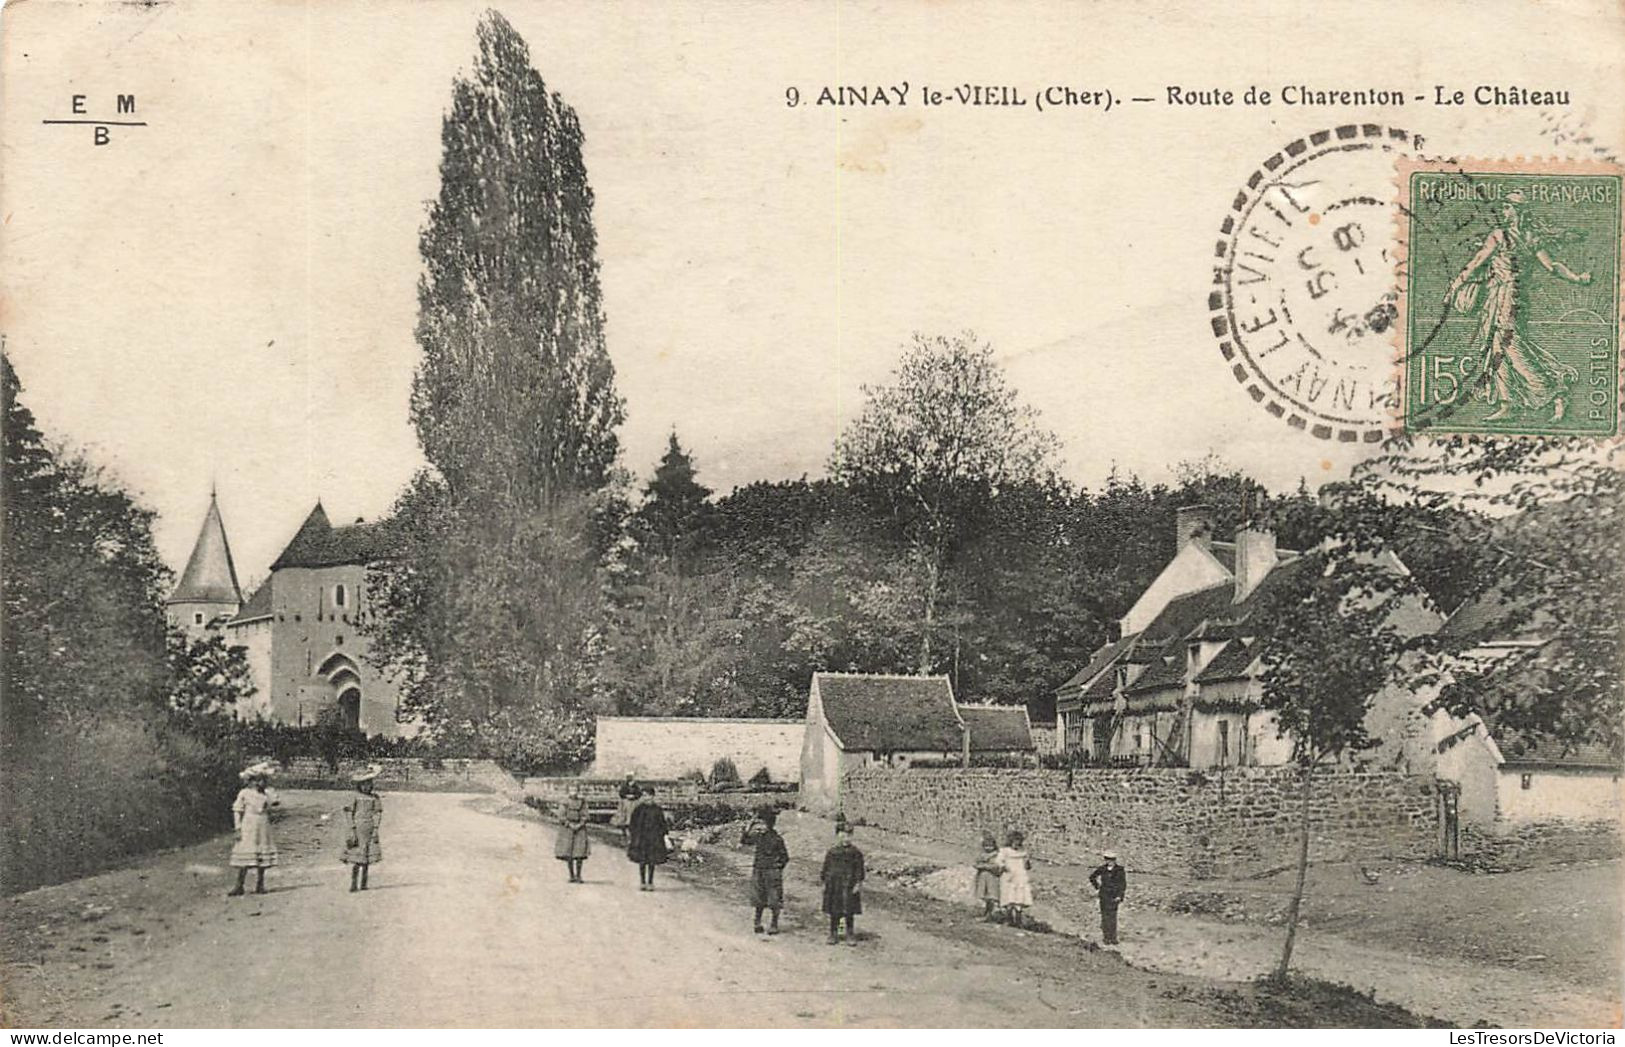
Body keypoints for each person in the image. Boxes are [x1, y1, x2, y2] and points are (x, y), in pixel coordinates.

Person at [1444, 191, 1589, 423]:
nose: (1503, 212)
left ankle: (1554, 390)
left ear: (1517, 210)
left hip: (1506, 296)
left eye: (1507, 207)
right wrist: (1576, 277)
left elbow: (1476, 263)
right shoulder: (1531, 237)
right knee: (1497, 347)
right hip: (1507, 296)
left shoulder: (1500, 236)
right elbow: (1553, 266)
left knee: (1510, 347)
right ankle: (1508, 403)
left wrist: (1455, 286)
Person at [228, 762, 279, 896]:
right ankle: (239, 885)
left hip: (262, 824)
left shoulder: (267, 794)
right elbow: (237, 810)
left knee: (261, 853)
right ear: (251, 781)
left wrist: (269, 796)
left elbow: (272, 806)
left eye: (263, 780)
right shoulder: (245, 793)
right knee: (246, 852)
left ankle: (260, 884)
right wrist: (238, 827)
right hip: (249, 825)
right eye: (258, 780)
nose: (261, 783)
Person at [741, 807, 790, 934]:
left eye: (762, 823)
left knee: (774, 900)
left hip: (771, 872)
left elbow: (785, 857)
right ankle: (757, 923)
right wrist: (749, 824)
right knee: (759, 898)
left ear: (768, 824)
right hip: (759, 870)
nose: (760, 826)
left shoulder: (777, 839)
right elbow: (745, 840)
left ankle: (774, 924)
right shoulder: (759, 836)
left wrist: (777, 868)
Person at [820, 818, 864, 946]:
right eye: (843, 835)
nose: (846, 838)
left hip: (849, 885)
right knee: (835, 910)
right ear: (837, 835)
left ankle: (849, 933)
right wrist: (825, 882)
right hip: (834, 885)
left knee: (848, 910)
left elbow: (859, 870)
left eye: (849, 835)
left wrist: (858, 883)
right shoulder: (832, 852)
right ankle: (834, 933)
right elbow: (826, 868)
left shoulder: (855, 853)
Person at [342, 764, 384, 893]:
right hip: (357, 828)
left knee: (366, 857)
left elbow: (377, 814)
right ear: (359, 785)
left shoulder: (375, 798)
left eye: (370, 783)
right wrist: (352, 828)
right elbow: (349, 813)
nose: (368, 786)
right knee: (356, 857)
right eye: (364, 784)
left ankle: (364, 883)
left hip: (369, 828)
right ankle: (353, 884)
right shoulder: (354, 797)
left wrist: (376, 829)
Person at [626, 786, 670, 891]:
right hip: (641, 838)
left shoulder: (657, 809)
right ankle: (642, 882)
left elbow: (662, 824)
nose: (646, 798)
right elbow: (633, 823)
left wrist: (664, 835)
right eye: (644, 796)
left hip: (653, 839)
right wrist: (633, 835)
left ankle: (650, 882)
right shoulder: (639, 809)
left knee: (652, 861)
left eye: (647, 795)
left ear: (652, 796)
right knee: (642, 861)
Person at [554, 782, 591, 883]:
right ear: (568, 791)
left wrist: (580, 824)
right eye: (571, 790)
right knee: (568, 852)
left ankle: (579, 875)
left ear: (578, 791)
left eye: (575, 790)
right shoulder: (564, 802)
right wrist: (568, 824)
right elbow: (561, 815)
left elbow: (585, 814)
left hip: (580, 828)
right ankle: (571, 875)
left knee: (579, 853)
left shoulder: (582, 802)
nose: (573, 792)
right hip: (567, 828)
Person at [1089, 849, 1127, 945]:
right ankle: (1106, 938)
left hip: (1114, 896)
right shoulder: (1102, 869)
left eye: (1111, 859)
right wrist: (1098, 887)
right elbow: (1092, 877)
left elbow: (1123, 884)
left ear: (1114, 860)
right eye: (1107, 859)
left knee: (1113, 917)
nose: (1109, 861)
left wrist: (1119, 895)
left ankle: (1113, 938)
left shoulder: (1120, 870)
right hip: (1104, 895)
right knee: (1105, 917)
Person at [997, 829, 1033, 924]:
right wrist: (1003, 867)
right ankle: (1008, 917)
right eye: (1015, 842)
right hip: (1009, 875)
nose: (1017, 844)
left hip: (1020, 875)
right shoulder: (1005, 851)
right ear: (1010, 842)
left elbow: (1027, 866)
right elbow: (999, 861)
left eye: (1019, 842)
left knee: (1019, 895)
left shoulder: (1022, 852)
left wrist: (1027, 862)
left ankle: (1018, 918)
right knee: (1009, 895)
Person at [972, 831, 1002, 920]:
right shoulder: (982, 855)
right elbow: (975, 863)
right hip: (982, 878)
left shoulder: (996, 855)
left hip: (992, 878)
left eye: (990, 846)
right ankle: (985, 913)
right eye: (986, 846)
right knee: (984, 896)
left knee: (991, 896)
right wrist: (979, 865)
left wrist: (985, 866)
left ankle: (990, 914)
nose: (988, 848)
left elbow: (997, 867)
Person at [612, 773, 640, 842]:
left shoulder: (636, 786)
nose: (630, 780)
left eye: (631, 778)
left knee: (632, 818)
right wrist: (626, 796)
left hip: (633, 803)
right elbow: (621, 793)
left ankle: (632, 834)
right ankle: (624, 834)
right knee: (624, 818)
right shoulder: (624, 786)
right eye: (629, 778)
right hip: (625, 803)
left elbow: (639, 793)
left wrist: (634, 796)